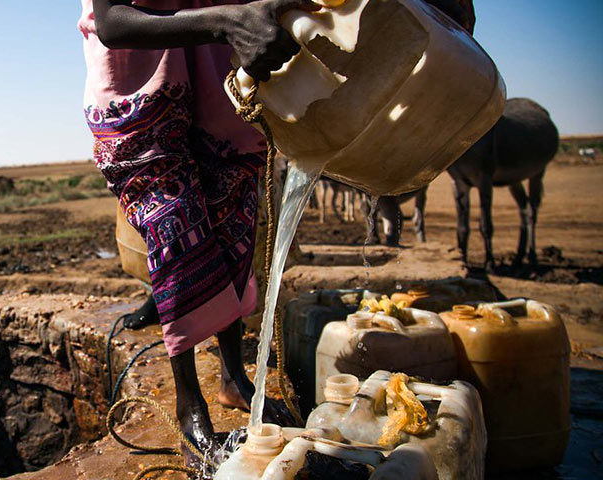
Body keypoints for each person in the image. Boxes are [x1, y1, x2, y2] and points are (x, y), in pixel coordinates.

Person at [81, 0, 475, 461]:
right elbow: (111, 22)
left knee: (231, 218)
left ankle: (233, 376)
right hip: (142, 76)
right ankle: (190, 406)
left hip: (227, 68)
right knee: (175, 227)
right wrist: (227, 21)